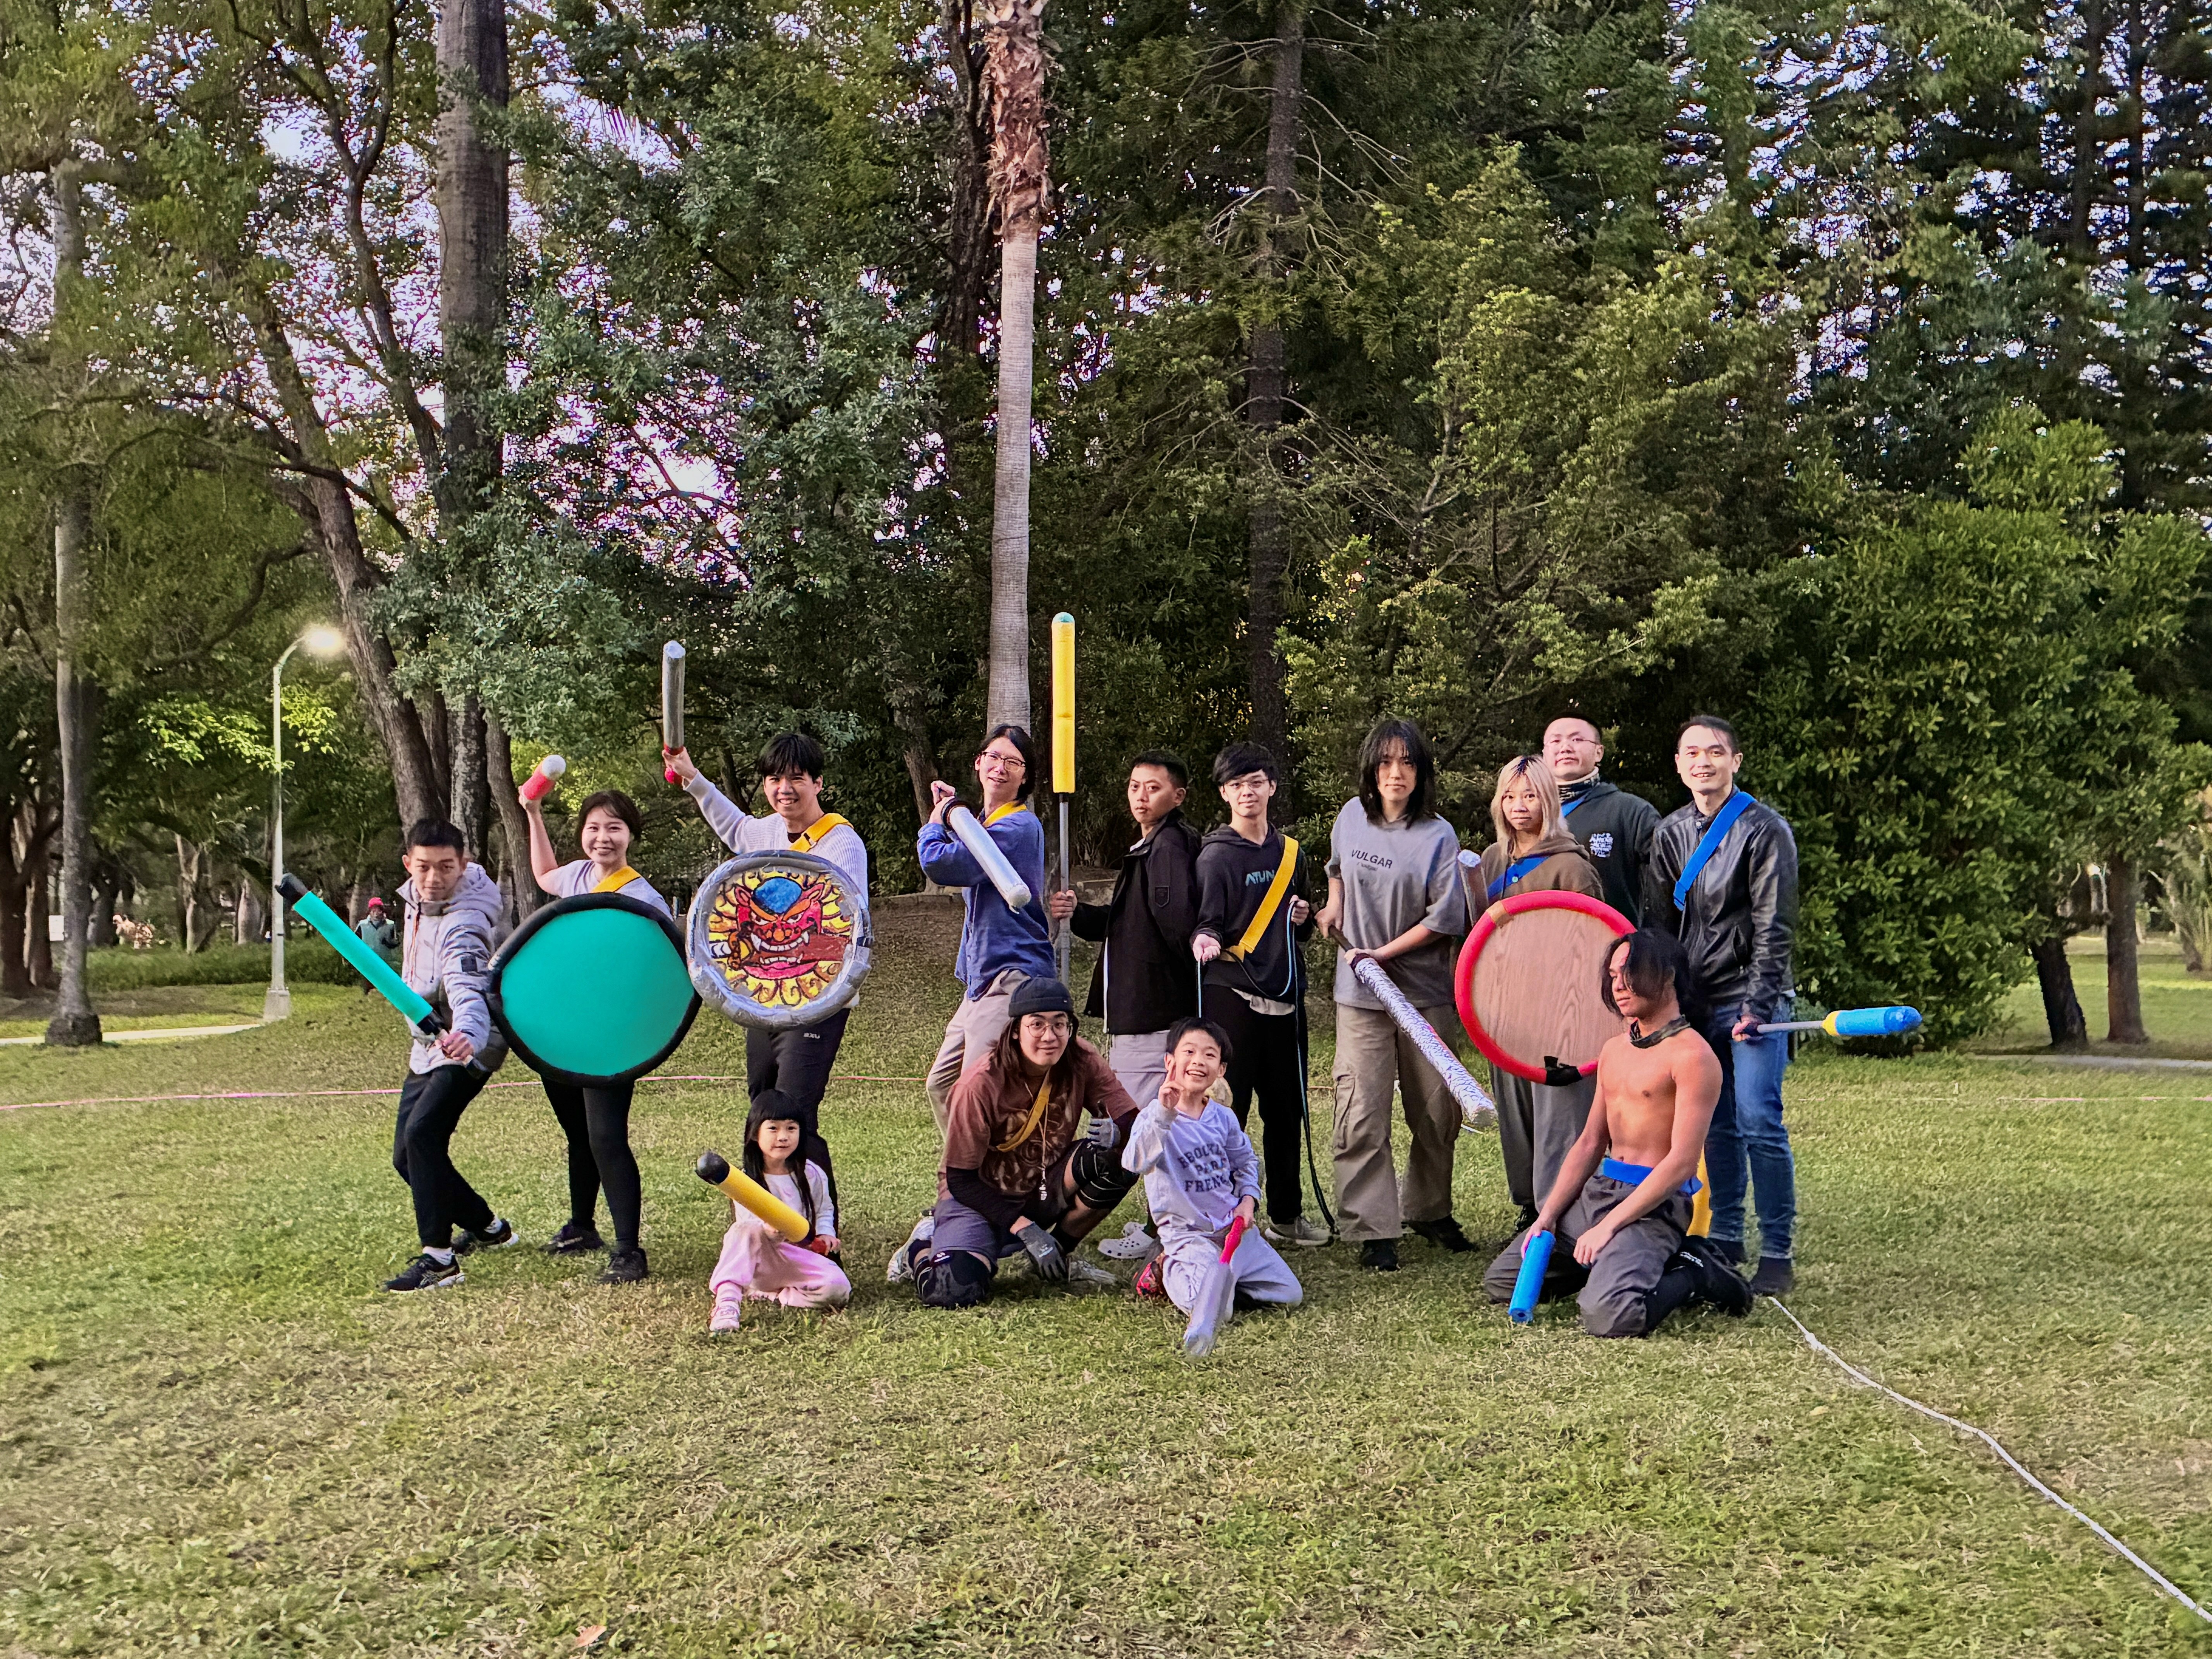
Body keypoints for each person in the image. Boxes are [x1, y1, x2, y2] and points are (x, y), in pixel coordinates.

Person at [1482, 930, 1752, 1334]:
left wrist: (1610, 1227)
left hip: (1653, 1205)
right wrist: (1549, 1216)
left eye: (1630, 972)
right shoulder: (1613, 1050)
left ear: (1668, 976)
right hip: (1599, 1193)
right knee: (1502, 1282)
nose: (1619, 985)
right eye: (1612, 975)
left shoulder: (1693, 1057)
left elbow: (1681, 1163)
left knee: (1609, 1316)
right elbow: (1590, 1142)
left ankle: (1694, 1271)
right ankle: (1611, 1265)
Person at [1641, 714, 1801, 1297]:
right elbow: (1656, 928)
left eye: (1715, 752)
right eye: (1692, 753)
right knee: (1716, 1126)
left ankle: (1778, 1253)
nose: (1703, 762)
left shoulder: (1765, 830)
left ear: (1736, 762)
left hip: (1752, 999)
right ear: (1680, 766)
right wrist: (1662, 1004)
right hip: (1694, 1002)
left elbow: (1773, 926)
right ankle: (1727, 1240)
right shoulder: (1668, 832)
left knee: (1760, 1121)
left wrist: (1756, 1005)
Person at [1312, 719, 1466, 1271]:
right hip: (1360, 997)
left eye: (1407, 763)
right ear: (1370, 770)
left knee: (1434, 1111)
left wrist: (1384, 954)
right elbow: (1336, 871)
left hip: (1423, 994)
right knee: (1360, 1111)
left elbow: (1445, 918)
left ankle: (1429, 1209)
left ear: (1421, 772)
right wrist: (1334, 907)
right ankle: (1372, 1226)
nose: (1395, 774)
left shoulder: (1438, 835)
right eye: (1385, 763)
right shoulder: (1351, 818)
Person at [891, 977, 1140, 1306]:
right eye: (1037, 1025)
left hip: (1042, 1183)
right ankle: (920, 1250)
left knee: (1122, 1158)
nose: (1050, 1036)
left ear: (1071, 1027)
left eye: (1059, 1024)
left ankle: (1057, 1254)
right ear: (1015, 1030)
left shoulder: (1080, 1058)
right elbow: (961, 1180)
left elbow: (1133, 1123)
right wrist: (1025, 1229)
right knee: (953, 1291)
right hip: (978, 1199)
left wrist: (1119, 1134)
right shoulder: (980, 1084)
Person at [666, 732, 871, 1126]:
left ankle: (811, 1189)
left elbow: (848, 933)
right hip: (765, 999)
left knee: (793, 1114)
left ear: (818, 783)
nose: (784, 789)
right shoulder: (770, 832)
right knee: (763, 1106)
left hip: (818, 1003)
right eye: (775, 780)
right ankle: (758, 1188)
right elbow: (735, 827)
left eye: (796, 778)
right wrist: (691, 777)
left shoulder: (842, 844)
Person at [1048, 749, 1202, 1263]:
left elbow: (1178, 929)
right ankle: (1167, 1227)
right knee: (1146, 1127)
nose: (1141, 795)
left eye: (1153, 787)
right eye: (1135, 786)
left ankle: (1070, 1234)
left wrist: (1187, 1011)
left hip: (1155, 1016)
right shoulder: (1150, 847)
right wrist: (1083, 916)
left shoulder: (1170, 849)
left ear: (1177, 796)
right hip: (1142, 1014)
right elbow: (1127, 924)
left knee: (1131, 1129)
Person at [521, 783, 666, 1283]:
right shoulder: (580, 875)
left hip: (612, 1036)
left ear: (631, 835)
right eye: (594, 828)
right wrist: (533, 812)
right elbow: (543, 875)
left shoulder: (643, 898)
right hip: (561, 1028)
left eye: (614, 828)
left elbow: (658, 973)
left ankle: (630, 1251)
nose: (603, 838)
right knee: (578, 1134)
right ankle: (582, 1226)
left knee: (606, 1136)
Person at [1192, 742, 1327, 1252]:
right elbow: (1205, 920)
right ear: (1224, 794)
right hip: (1231, 995)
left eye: (1255, 782)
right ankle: (1225, 1218)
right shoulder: (1216, 854)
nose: (1247, 793)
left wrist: (1301, 919)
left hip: (1286, 996)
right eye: (1235, 785)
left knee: (1286, 1109)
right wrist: (1204, 939)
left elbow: (1304, 920)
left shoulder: (1291, 853)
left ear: (1271, 786)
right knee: (1230, 1109)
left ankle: (1287, 1216)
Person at [382, 819, 517, 1293]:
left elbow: (467, 981)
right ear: (409, 865)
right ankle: (491, 1228)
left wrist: (468, 1032)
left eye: (446, 867)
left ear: (464, 864)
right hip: (429, 1045)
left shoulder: (465, 919)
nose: (435, 877)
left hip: (468, 1045)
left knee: (423, 1136)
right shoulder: (418, 903)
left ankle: (439, 1260)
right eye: (424, 867)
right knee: (406, 1157)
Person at [1474, 754, 1606, 1228]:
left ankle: (1563, 1212)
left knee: (1559, 1116)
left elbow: (1595, 947)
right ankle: (1529, 1207)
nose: (1518, 806)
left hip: (1560, 1014)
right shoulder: (1491, 860)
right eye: (1509, 796)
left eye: (1529, 795)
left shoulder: (1572, 867)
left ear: (1548, 799)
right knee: (1516, 1111)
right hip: (1504, 1011)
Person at [915, 724, 1056, 1132]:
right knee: (941, 1085)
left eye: (1013, 762)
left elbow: (943, 864)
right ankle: (966, 1178)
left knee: (980, 1093)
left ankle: (991, 1186)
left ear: (1025, 776)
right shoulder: (979, 822)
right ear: (979, 763)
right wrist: (952, 812)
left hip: (1012, 974)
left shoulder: (1018, 827)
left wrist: (935, 821)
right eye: (993, 757)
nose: (1000, 767)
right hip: (982, 981)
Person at [1121, 1017, 1302, 1324]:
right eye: (1189, 1052)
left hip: (1232, 1232)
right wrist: (1164, 1115)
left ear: (1221, 1070)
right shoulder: (1156, 1115)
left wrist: (1248, 1201)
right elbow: (1134, 1163)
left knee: (1288, 1294)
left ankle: (1224, 1286)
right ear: (1170, 1061)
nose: (1198, 1061)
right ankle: (1168, 1269)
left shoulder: (1224, 1118)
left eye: (1209, 1055)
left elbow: (1246, 1162)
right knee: (1210, 1311)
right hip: (1189, 1236)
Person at [708, 1089, 851, 1333]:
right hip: (761, 1262)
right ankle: (728, 1302)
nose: (783, 1137)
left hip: (799, 1259)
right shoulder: (745, 1183)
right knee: (741, 1231)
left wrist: (826, 1233)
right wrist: (769, 1232)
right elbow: (750, 1228)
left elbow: (824, 1209)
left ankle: (774, 1297)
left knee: (839, 1289)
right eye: (773, 1129)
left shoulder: (812, 1174)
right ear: (755, 1133)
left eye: (791, 1128)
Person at [1539, 716, 1661, 924]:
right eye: (1556, 741)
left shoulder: (1632, 812)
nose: (1566, 748)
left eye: (1577, 740)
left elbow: (1664, 887)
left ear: (1599, 752)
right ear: (1544, 754)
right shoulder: (1525, 813)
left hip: (1613, 946)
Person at [353, 896, 397, 996]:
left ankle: (386, 996)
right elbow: (356, 941)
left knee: (385, 982)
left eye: (379, 911)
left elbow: (395, 943)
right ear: (370, 912)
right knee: (368, 980)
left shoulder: (391, 925)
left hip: (384, 958)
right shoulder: (363, 925)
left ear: (382, 911)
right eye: (374, 911)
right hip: (367, 958)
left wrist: (388, 943)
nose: (376, 913)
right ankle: (367, 995)